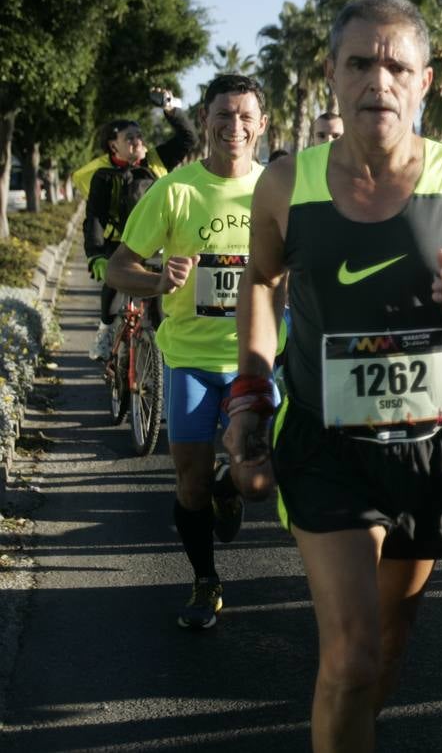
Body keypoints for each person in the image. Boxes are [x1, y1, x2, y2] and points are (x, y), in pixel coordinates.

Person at [225, 0, 442, 753]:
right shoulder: (286, 183)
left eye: (397, 66)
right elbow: (260, 284)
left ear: (425, 81)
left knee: (391, 638)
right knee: (352, 656)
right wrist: (250, 391)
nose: (378, 81)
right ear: (331, 73)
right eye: (359, 63)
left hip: (429, 445)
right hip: (325, 446)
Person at [105, 74, 275, 630]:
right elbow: (118, 268)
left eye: (245, 116)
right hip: (190, 361)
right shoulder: (175, 190)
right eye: (223, 114)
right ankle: (205, 580)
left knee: (255, 480)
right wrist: (159, 279)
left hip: (257, 359)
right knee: (190, 481)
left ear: (262, 124)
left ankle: (231, 489)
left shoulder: (277, 190)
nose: (234, 126)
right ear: (205, 119)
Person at [82, 87, 197, 360]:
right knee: (114, 284)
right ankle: (105, 332)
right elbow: (95, 216)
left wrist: (169, 108)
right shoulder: (104, 175)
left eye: (139, 136)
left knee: (160, 301)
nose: (137, 142)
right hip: (120, 244)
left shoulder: (155, 161)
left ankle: (158, 357)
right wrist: (96, 255)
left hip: (157, 243)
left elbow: (188, 138)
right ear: (114, 145)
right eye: (129, 138)